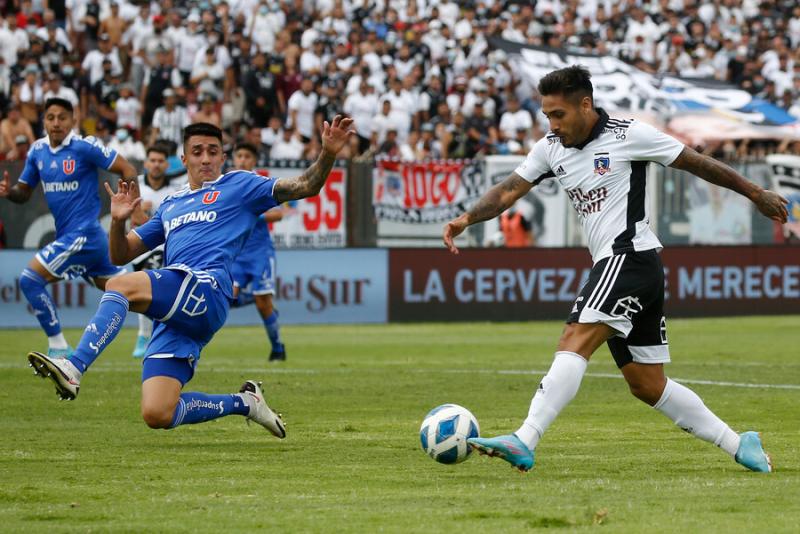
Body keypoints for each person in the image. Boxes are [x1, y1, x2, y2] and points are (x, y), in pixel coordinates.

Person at [443, 66, 788, 474]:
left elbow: (697, 163)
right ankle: (739, 443)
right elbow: (507, 191)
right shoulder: (551, 148)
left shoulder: (630, 135)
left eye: (558, 115)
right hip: (634, 266)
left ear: (585, 105)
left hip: (628, 256)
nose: (552, 125)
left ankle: (525, 437)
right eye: (547, 116)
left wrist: (756, 193)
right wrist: (465, 219)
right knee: (647, 384)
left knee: (576, 336)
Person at [26, 117, 354, 436]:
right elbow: (121, 254)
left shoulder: (239, 184)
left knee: (120, 284)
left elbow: (306, 186)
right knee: (157, 413)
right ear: (183, 158)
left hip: (207, 289)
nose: (206, 158)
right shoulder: (172, 205)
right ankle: (245, 402)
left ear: (223, 156)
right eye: (197, 151)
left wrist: (328, 153)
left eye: (213, 151)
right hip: (180, 307)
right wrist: (116, 221)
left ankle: (74, 366)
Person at [0, 97, 140, 357]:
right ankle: (175, 322)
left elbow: (127, 168)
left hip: (84, 235)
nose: (56, 123)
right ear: (43, 121)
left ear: (73, 120)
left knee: (31, 280)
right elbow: (24, 192)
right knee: (132, 292)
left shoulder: (84, 147)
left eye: (62, 117)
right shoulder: (37, 152)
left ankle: (58, 347)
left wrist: (138, 211)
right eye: (50, 117)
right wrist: (10, 192)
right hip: (82, 241)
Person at [229, 142, 287, 361]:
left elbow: (279, 214)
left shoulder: (260, 184)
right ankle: (254, 298)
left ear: (253, 161)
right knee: (226, 298)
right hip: (237, 255)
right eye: (239, 155)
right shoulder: (227, 184)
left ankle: (278, 348)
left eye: (247, 156)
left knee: (264, 306)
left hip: (260, 254)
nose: (242, 160)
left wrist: (253, 214)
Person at [130, 144, 185, 357]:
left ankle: (151, 336)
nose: (155, 165)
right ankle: (145, 335)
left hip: (166, 247)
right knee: (145, 292)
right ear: (146, 163)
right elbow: (127, 216)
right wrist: (136, 210)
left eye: (160, 161)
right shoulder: (138, 188)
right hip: (140, 248)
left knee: (159, 294)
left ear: (167, 164)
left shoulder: (175, 190)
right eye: (152, 160)